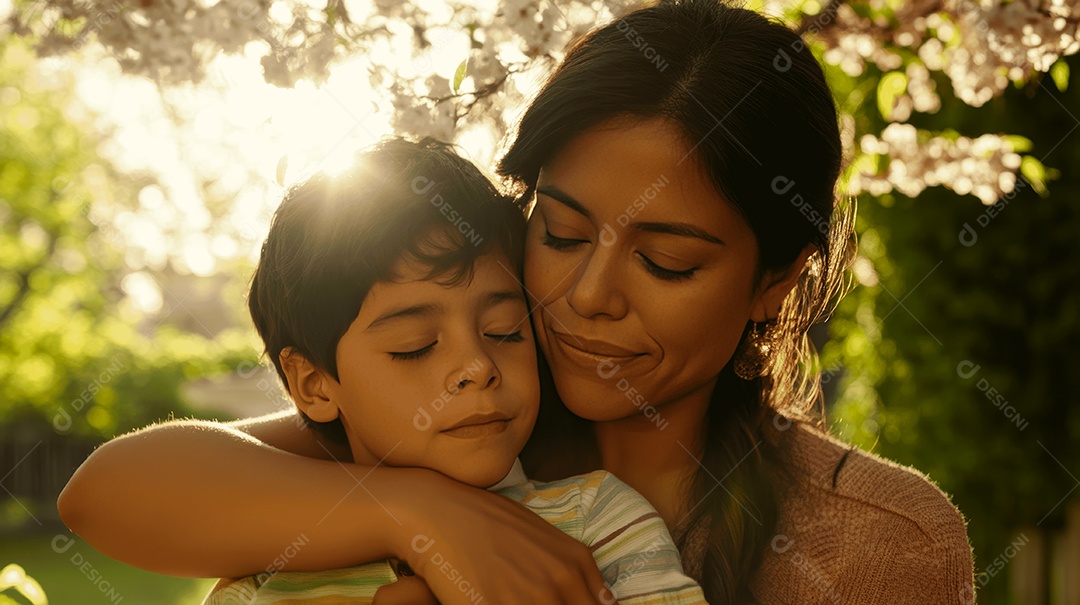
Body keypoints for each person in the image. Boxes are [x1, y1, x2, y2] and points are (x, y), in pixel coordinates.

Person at [57, 1, 976, 603]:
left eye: (664, 261)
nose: (586, 295)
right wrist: (420, 513)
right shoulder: (472, 426)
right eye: (562, 233)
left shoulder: (877, 545)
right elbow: (110, 493)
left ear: (775, 279)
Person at [183, 137, 705, 604]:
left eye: (504, 331)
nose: (477, 368)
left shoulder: (603, 523)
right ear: (315, 384)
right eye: (415, 347)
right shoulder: (264, 576)